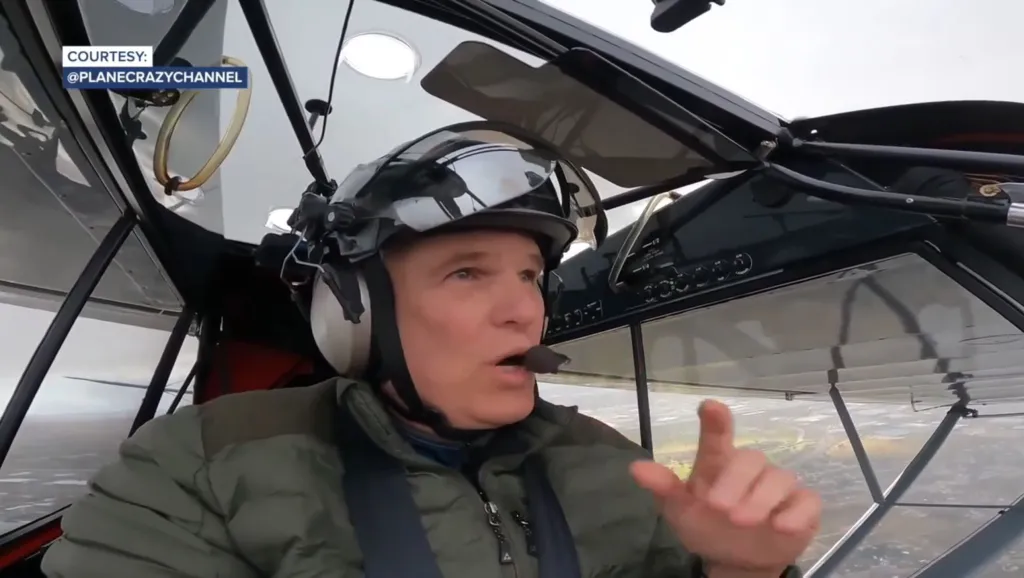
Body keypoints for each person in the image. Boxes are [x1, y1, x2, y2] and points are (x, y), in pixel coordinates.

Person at [41, 122, 821, 578]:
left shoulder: (612, 465)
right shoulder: (198, 464)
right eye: (466, 272)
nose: (525, 311)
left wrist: (743, 573)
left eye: (529, 275)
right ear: (354, 314)